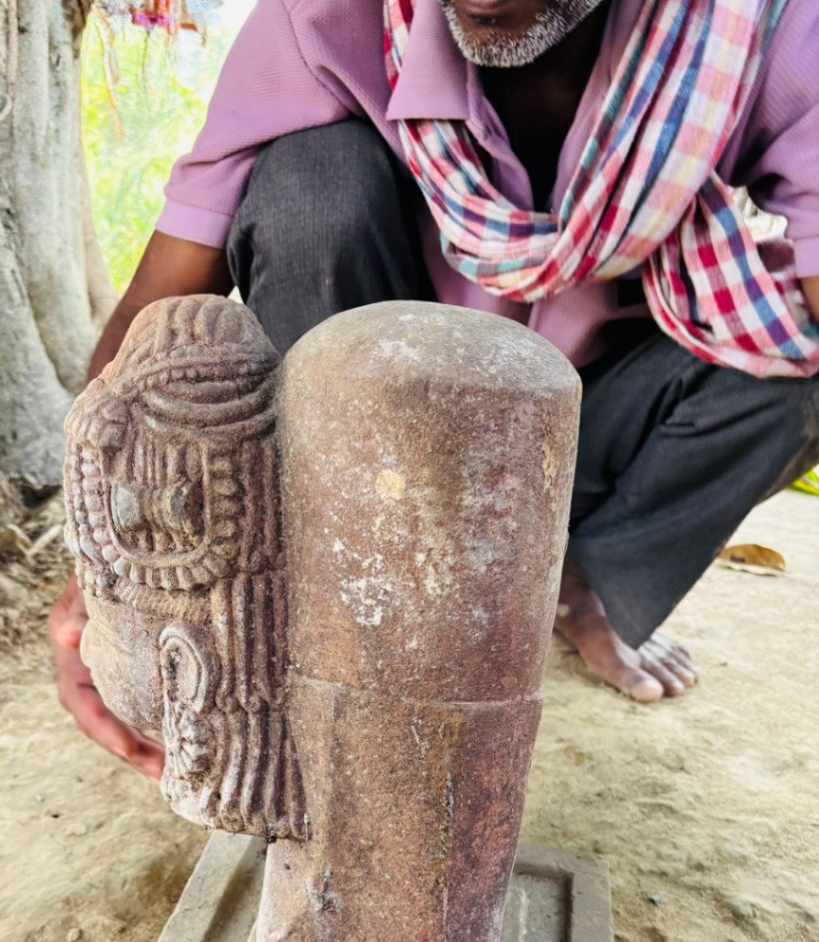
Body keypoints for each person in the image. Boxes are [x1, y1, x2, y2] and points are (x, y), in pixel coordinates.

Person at [52, 0, 819, 779]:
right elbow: (161, 311)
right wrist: (106, 573)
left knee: (802, 377)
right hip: (366, 442)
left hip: (574, 450)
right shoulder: (319, 19)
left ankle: (585, 578)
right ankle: (335, 584)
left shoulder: (769, 30)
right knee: (308, 186)